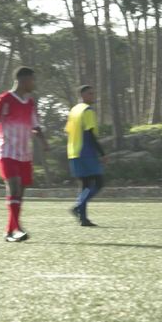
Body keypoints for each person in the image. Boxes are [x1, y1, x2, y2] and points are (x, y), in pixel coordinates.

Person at [0, 67, 49, 242]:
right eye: (32, 80)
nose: (34, 83)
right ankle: (16, 229)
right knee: (15, 187)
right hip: (6, 152)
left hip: (24, 153)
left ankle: (10, 231)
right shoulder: (4, 100)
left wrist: (44, 141)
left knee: (20, 192)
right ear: (23, 80)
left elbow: (35, 125)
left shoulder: (30, 102)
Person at [65, 85, 106, 227]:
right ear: (82, 95)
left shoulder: (74, 110)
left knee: (85, 185)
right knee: (99, 182)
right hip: (86, 152)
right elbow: (90, 134)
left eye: (93, 93)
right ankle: (78, 206)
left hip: (73, 152)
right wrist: (102, 153)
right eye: (90, 94)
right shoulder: (87, 111)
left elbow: (69, 131)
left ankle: (83, 218)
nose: (93, 96)